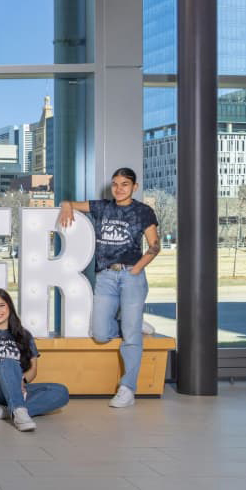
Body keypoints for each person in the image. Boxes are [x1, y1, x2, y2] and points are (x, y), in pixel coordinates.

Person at [58, 167, 160, 408]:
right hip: (105, 277)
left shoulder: (143, 212)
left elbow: (154, 246)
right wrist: (65, 205)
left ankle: (127, 389)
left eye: (125, 184)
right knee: (101, 333)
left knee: (132, 337)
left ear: (134, 187)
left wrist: (136, 269)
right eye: (115, 184)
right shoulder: (102, 206)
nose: (119, 188)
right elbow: (70, 203)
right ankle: (130, 323)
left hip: (131, 276)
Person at [0, 289, 69, 432]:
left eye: (1, 305)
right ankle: (19, 412)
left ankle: (5, 411)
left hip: (16, 388)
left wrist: (21, 382)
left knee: (60, 392)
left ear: (10, 307)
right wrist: (1, 370)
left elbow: (33, 370)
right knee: (8, 363)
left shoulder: (25, 335)